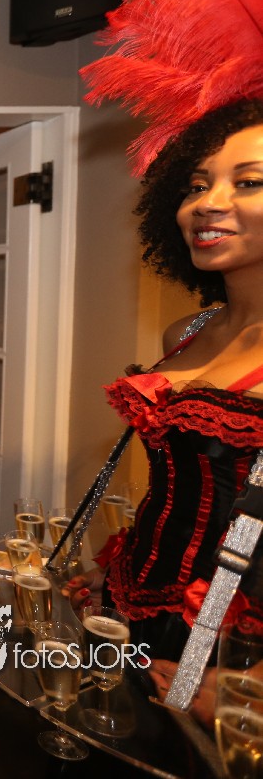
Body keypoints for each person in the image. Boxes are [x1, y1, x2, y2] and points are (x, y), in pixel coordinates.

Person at [64, 100, 263, 663]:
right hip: (135, 609)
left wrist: (250, 686)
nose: (207, 203)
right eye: (197, 185)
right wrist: (122, 575)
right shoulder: (187, 331)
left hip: (229, 646)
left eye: (248, 182)